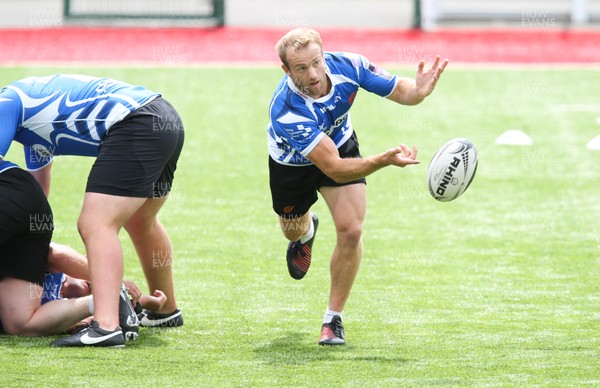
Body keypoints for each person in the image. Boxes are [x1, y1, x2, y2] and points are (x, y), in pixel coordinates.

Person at [267, 28, 448, 345]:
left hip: (340, 144)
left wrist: (418, 92)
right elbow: (334, 169)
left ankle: (332, 319)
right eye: (300, 68)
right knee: (291, 229)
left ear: (324, 55)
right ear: (286, 70)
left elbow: (398, 89)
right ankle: (306, 232)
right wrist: (383, 159)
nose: (312, 74)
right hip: (292, 165)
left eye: (316, 63)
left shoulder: (349, 66)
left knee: (351, 230)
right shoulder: (287, 109)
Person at [0, 74, 185, 347]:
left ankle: (106, 326)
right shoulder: (32, 132)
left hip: (136, 123)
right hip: (164, 119)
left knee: (95, 224)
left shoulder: (6, 102)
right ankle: (164, 311)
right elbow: (38, 194)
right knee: (141, 221)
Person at [0, 159, 95, 338]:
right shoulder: (50, 266)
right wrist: (111, 284)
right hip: (18, 190)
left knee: (19, 324)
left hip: (16, 190)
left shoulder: (54, 308)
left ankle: (105, 300)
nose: (83, 288)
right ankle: (106, 298)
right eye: (90, 285)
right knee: (19, 323)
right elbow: (56, 254)